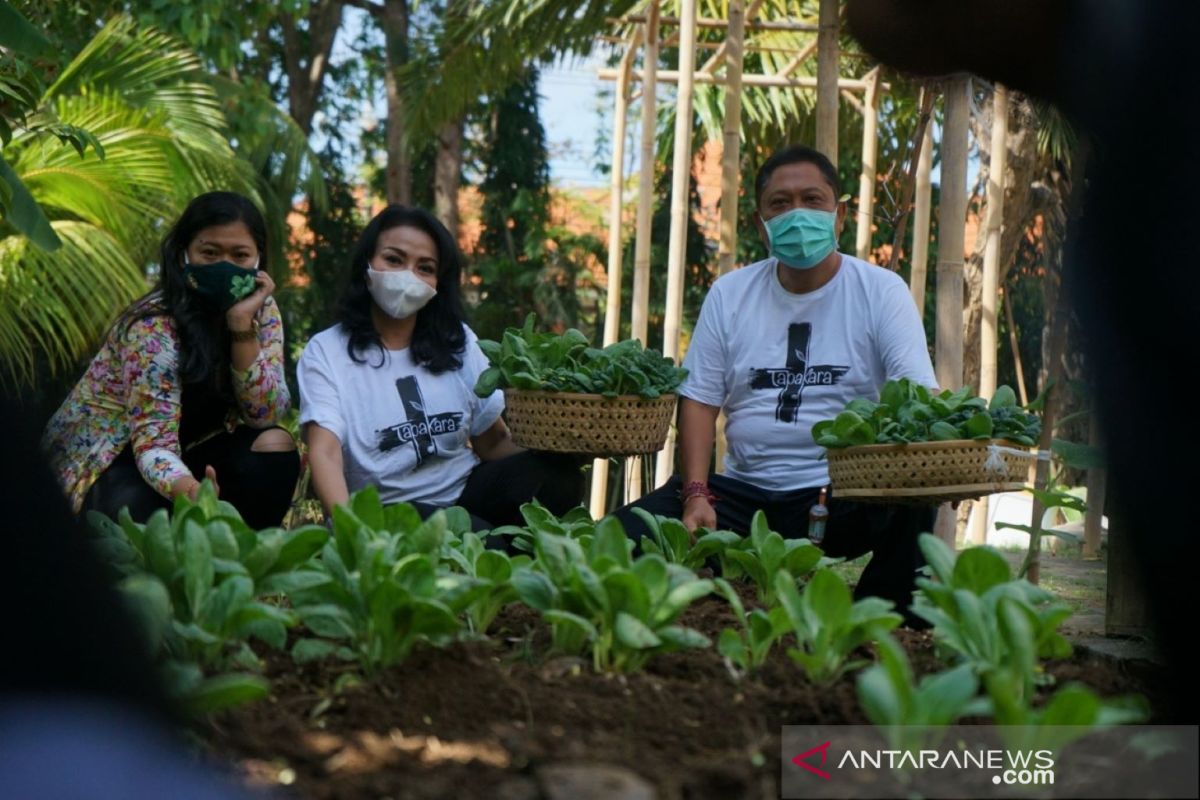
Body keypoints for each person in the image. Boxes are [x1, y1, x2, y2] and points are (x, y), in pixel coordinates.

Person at [614, 145, 937, 623]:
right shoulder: (731, 294)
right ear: (759, 222)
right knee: (624, 534)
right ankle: (716, 608)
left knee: (914, 505)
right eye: (780, 204)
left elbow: (916, 396)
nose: (797, 214)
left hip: (844, 494)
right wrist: (697, 493)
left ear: (839, 214)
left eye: (812, 199)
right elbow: (700, 401)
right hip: (744, 497)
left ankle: (879, 623)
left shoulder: (880, 291)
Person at [298, 205, 583, 530]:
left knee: (559, 477)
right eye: (393, 259)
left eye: (425, 267)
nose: (408, 276)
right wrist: (349, 529)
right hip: (386, 511)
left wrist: (568, 441)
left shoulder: (457, 340)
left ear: (438, 282)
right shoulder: (327, 352)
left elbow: (491, 443)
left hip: (464, 494)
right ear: (366, 264)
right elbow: (326, 452)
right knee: (478, 534)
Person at [41, 191, 300, 530]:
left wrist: (240, 326)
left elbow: (264, 413)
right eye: (209, 253)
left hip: (192, 450)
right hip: (115, 459)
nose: (224, 265)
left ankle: (237, 564)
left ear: (257, 261)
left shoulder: (260, 311)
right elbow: (152, 445)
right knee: (140, 515)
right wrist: (193, 492)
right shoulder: (152, 325)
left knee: (275, 448)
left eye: (240, 255)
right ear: (184, 255)